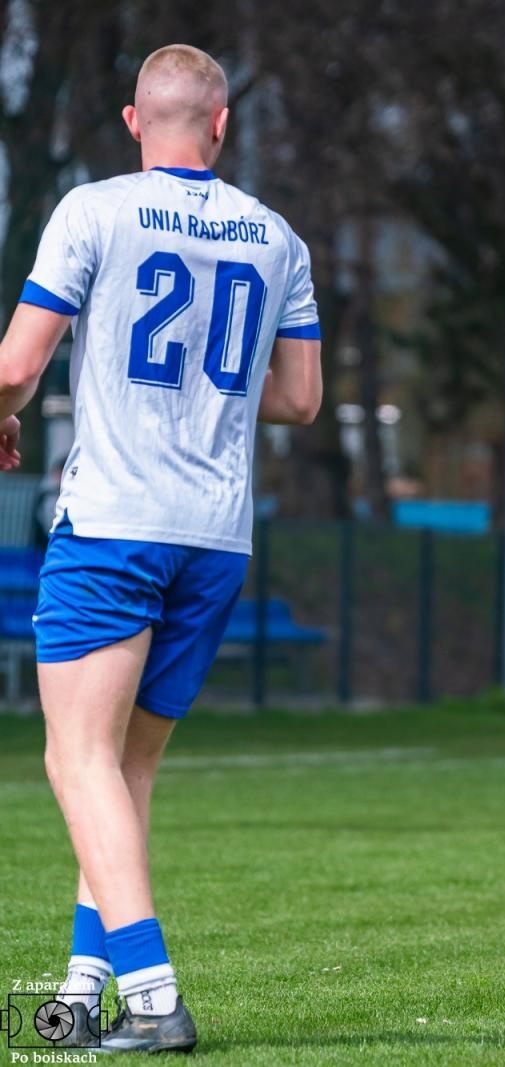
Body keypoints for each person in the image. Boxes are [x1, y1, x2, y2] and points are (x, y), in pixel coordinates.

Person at [0, 44, 322, 1053]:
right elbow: (300, 399)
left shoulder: (94, 210)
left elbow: (15, 367)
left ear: (135, 123)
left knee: (76, 757)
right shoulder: (278, 237)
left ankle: (152, 997)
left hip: (115, 523)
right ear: (221, 125)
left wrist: (5, 413)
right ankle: (81, 991)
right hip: (216, 536)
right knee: (125, 772)